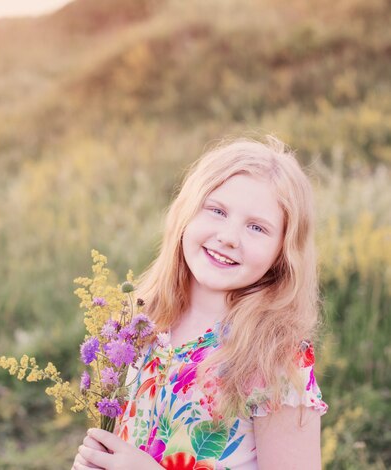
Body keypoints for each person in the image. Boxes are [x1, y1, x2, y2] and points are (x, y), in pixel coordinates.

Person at [72, 136, 328, 470]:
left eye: (257, 227)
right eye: (217, 211)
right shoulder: (145, 324)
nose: (229, 237)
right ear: (186, 213)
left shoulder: (275, 357)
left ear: (283, 251)